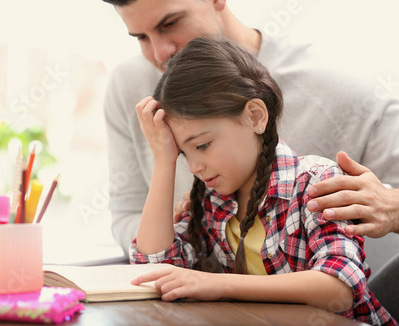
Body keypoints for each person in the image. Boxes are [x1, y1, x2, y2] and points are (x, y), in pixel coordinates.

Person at [129, 36, 396, 325]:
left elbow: (340, 288)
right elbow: (153, 268)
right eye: (183, 153)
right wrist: (162, 161)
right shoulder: (211, 201)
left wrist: (216, 285)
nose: (194, 167)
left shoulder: (315, 182)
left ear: (255, 116)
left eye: (203, 145)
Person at [101, 0, 399, 257]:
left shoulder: (337, 90)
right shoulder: (129, 87)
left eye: (170, 23)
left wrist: (392, 207)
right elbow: (127, 213)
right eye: (141, 37)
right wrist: (182, 243)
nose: (160, 53)